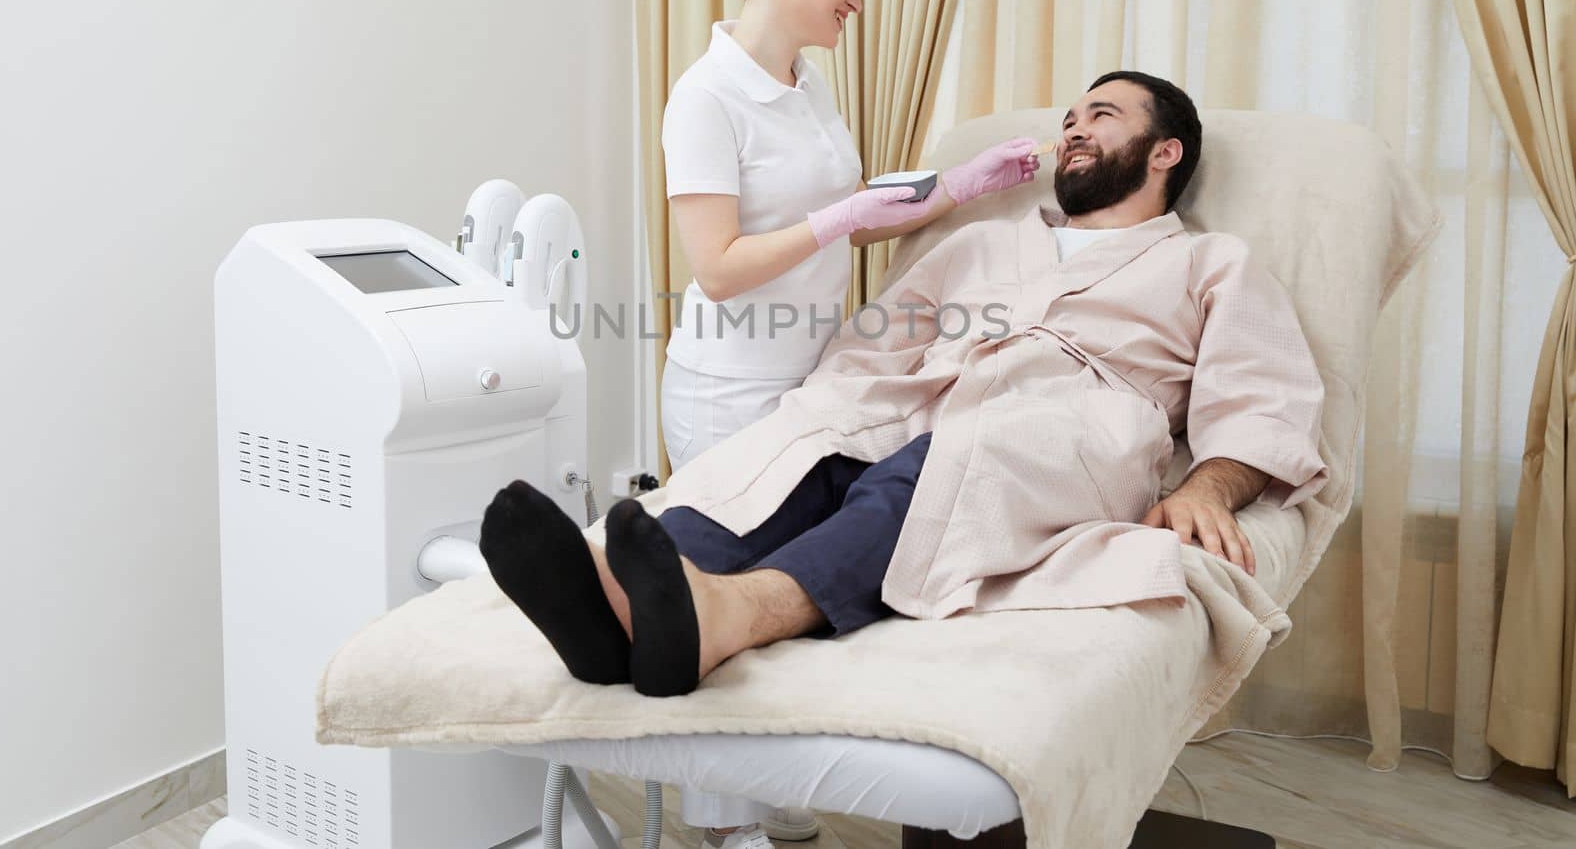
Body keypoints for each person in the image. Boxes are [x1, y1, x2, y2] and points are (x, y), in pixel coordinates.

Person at [484, 69, 1326, 809]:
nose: (1074, 127)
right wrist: (836, 409)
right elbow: (871, 345)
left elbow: (1261, 394)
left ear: (1164, 151)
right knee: (809, 439)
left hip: (1074, 421)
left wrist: (1206, 487)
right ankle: (619, 597)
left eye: (1101, 115)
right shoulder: (987, 242)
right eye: (1069, 117)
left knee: (944, 463)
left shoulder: (1212, 262)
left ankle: (733, 614)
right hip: (926, 395)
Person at [646, 0, 1036, 848]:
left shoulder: (805, 83)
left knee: (769, 603)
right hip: (728, 387)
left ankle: (766, 784)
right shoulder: (705, 98)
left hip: (811, 382)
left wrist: (959, 184)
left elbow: (857, 218)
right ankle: (721, 820)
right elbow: (719, 265)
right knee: (718, 587)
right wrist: (836, 219)